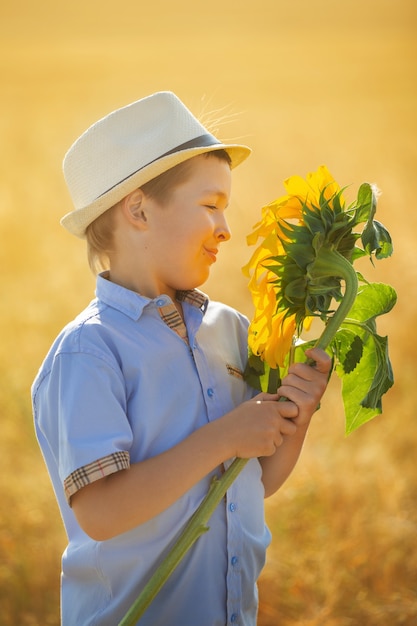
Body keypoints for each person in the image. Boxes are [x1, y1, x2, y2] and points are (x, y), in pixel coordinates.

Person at [32, 91, 331, 626]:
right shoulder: (90, 352)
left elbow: (249, 482)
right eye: (210, 204)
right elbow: (101, 513)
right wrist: (224, 436)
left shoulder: (231, 330)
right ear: (140, 209)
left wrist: (293, 418)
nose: (225, 227)